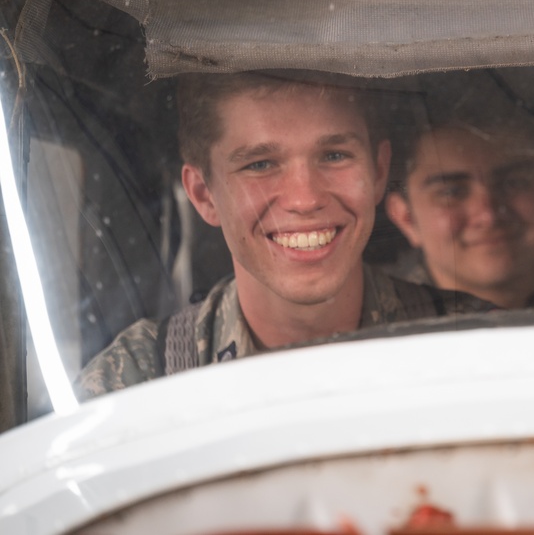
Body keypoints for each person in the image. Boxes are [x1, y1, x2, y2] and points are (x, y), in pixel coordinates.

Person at [77, 71, 491, 397]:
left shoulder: (483, 348)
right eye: (260, 164)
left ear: (379, 172)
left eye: (334, 156)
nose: (305, 199)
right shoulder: (134, 383)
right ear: (204, 195)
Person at [384, 117, 534, 310]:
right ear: (406, 218)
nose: (488, 216)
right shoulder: (368, 325)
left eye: (513, 183)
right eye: (451, 193)